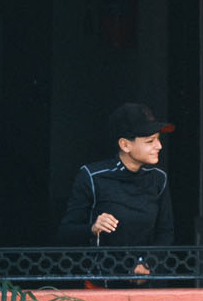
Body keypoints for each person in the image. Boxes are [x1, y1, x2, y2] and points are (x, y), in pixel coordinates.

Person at [56, 102, 176, 276]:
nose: (159, 146)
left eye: (158, 139)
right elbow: (65, 233)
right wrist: (93, 227)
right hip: (99, 286)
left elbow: (166, 233)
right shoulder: (92, 176)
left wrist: (147, 264)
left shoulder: (158, 178)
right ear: (125, 145)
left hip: (145, 284)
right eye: (150, 141)